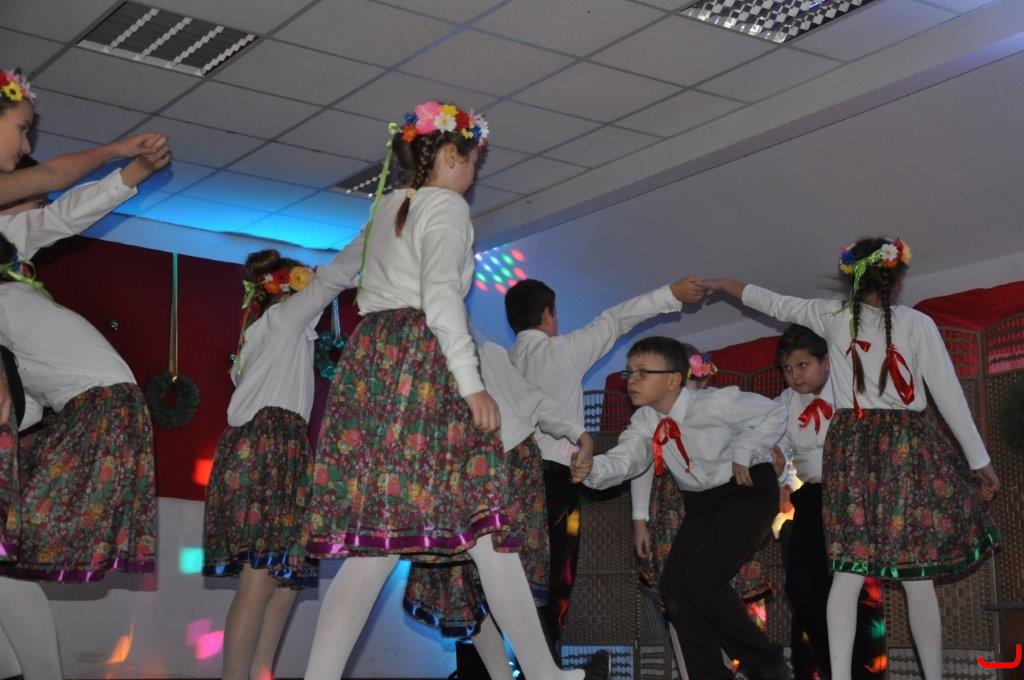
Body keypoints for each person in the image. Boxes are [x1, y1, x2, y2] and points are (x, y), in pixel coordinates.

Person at [301, 101, 608, 680]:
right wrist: (472, 388)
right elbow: (442, 296)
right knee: (484, 522)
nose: (473, 173)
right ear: (448, 156)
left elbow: (337, 273)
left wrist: (287, 317)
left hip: (376, 367)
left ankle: (541, 672)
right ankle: (544, 674)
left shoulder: (387, 207)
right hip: (423, 368)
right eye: (471, 162)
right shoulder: (444, 206)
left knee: (384, 544)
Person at [702, 236, 1001, 679]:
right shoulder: (917, 324)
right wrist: (979, 461)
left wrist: (726, 283)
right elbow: (949, 397)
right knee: (916, 577)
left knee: (848, 571)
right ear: (897, 279)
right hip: (905, 447)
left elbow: (774, 302)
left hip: (853, 447)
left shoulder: (833, 316)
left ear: (850, 279)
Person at [504, 274, 703, 654]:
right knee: (554, 577)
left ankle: (515, 664)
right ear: (548, 314)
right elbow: (615, 319)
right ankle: (547, 667)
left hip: (507, 482)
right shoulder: (560, 351)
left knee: (508, 576)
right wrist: (670, 294)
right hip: (557, 477)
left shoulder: (503, 363)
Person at [583, 336, 790, 680]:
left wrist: (744, 450)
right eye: (629, 372)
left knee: (703, 577)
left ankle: (766, 664)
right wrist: (590, 469)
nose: (632, 380)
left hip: (747, 488)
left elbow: (775, 411)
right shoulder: (645, 420)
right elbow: (628, 459)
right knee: (674, 589)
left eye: (643, 372)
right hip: (702, 502)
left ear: (673, 380)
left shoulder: (713, 403)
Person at [203, 246, 361, 680]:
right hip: (268, 449)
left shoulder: (271, 332)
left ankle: (260, 673)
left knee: (285, 579)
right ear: (291, 287)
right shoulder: (283, 320)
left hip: (279, 450)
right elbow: (335, 277)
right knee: (259, 579)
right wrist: (374, 231)